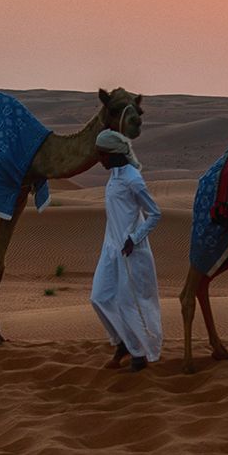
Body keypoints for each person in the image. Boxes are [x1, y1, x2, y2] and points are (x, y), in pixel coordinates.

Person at [89, 128, 163, 371]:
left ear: (115, 153)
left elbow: (154, 213)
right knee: (99, 297)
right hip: (110, 247)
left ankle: (138, 354)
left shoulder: (132, 178)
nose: (100, 160)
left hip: (131, 251)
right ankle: (124, 342)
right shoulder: (115, 174)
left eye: (103, 155)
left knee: (127, 302)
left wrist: (134, 237)